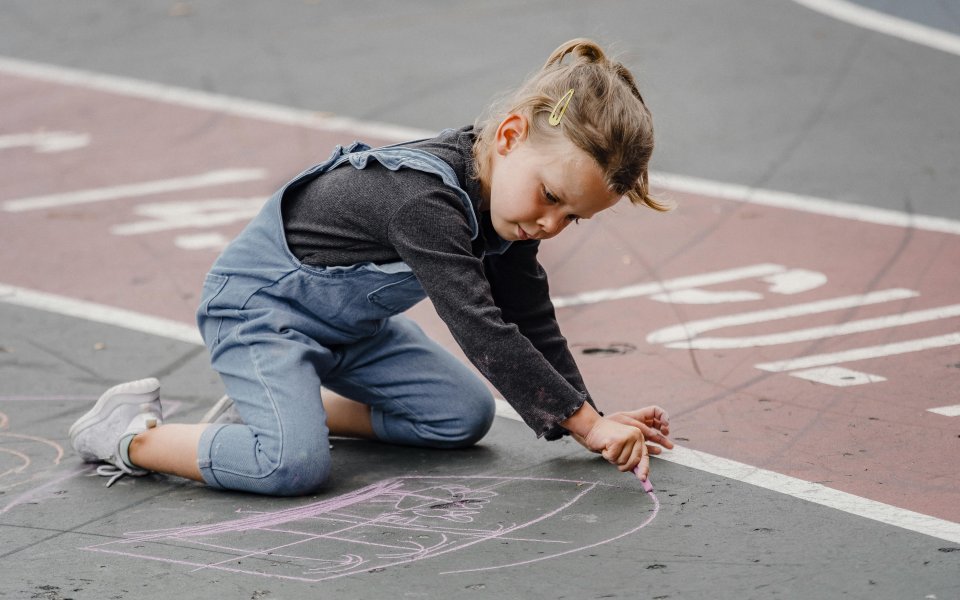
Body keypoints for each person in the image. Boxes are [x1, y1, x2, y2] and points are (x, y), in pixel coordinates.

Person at [69, 38, 674, 495]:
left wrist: (586, 411)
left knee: (463, 416)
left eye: (573, 217)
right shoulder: (422, 199)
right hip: (258, 314)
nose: (550, 224)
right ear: (511, 135)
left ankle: (283, 405)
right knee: (289, 465)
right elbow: (482, 327)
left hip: (348, 332)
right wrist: (587, 425)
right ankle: (128, 434)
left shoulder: (507, 210)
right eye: (550, 196)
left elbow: (528, 314)